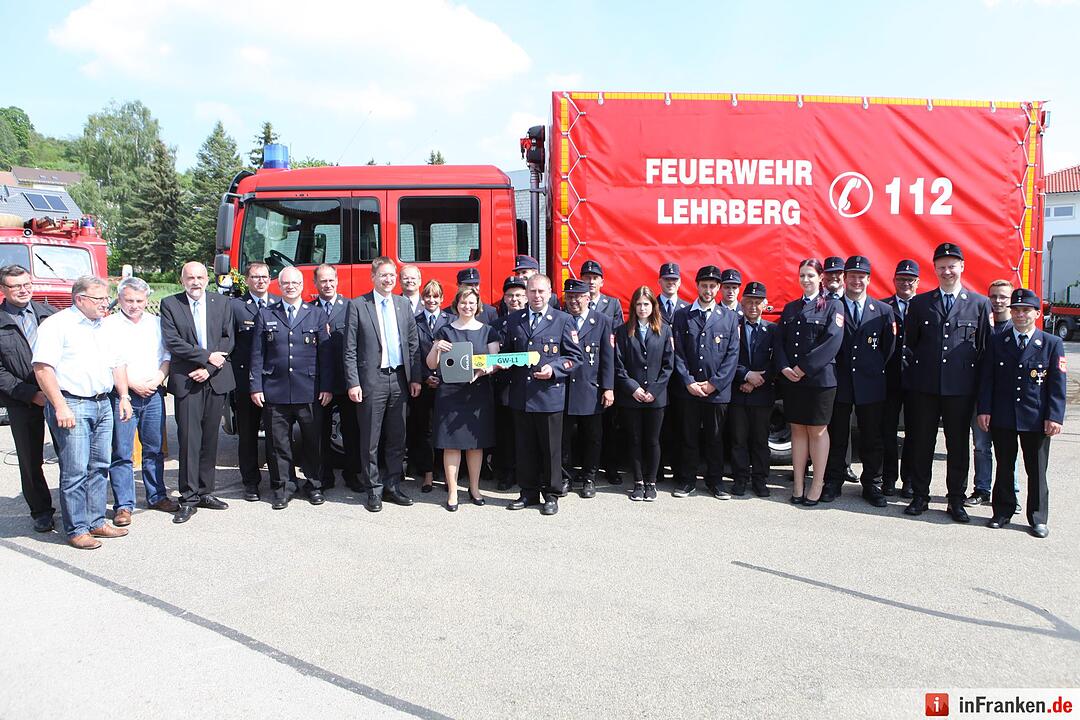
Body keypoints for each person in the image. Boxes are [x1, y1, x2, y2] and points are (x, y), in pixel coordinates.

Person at [32, 276, 132, 550]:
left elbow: (117, 364)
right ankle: (76, 528)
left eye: (105, 298)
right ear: (80, 299)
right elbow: (43, 368)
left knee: (100, 466)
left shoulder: (105, 327)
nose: (105, 304)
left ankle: (96, 520)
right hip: (72, 403)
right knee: (75, 469)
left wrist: (123, 396)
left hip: (103, 403)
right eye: (99, 299)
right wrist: (59, 405)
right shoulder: (57, 325)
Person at [903, 242, 992, 523]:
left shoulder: (979, 304)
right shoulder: (920, 304)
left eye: (952, 266)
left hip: (961, 390)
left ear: (962, 267)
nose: (947, 271)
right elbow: (911, 345)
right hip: (926, 388)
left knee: (957, 447)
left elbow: (984, 350)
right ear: (935, 269)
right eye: (941, 266)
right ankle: (920, 495)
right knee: (922, 443)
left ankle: (956, 499)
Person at [977, 288, 1066, 539]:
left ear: (1037, 313)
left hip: (1036, 418)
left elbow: (1058, 385)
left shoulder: (1051, 344)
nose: (1020, 315)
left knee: (1036, 470)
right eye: (1015, 310)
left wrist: (1055, 416)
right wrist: (984, 409)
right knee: (1004, 465)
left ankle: (1038, 518)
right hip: (1003, 415)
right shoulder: (998, 341)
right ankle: (1002, 512)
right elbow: (987, 379)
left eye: (1026, 310)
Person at [249, 267, 334, 509]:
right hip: (275, 389)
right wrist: (256, 387)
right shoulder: (266, 315)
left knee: (314, 441)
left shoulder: (316, 314)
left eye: (295, 283)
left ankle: (315, 485)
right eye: (286, 283)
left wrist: (327, 386)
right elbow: (257, 354)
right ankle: (283, 487)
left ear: (303, 285)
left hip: (310, 389)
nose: (290, 286)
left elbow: (325, 356)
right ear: (280, 286)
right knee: (278, 443)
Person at [344, 256, 422, 513]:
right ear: (373, 278)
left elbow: (413, 345)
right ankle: (373, 490)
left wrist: (415, 378)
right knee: (370, 439)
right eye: (383, 275)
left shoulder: (402, 304)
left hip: (399, 379)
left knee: (397, 437)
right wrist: (353, 382)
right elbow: (350, 349)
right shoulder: (358, 305)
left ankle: (392, 486)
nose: (388, 280)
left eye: (392, 275)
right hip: (371, 380)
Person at [500, 273, 583, 515]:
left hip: (549, 396)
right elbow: (507, 352)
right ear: (526, 293)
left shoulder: (563, 320)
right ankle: (527, 493)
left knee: (550, 449)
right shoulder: (515, 320)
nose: (536, 296)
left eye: (541, 292)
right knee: (524, 448)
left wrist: (554, 369)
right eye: (532, 291)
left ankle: (551, 494)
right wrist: (500, 362)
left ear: (550, 293)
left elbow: (574, 357)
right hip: (521, 395)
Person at [160, 261, 236, 524]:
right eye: (190, 277)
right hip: (187, 381)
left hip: (214, 379)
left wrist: (208, 368)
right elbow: (173, 341)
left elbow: (228, 339)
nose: (195, 282)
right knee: (190, 440)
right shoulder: (171, 304)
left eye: (200, 277)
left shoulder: (221, 303)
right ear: (182, 280)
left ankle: (205, 491)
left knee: (210, 440)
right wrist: (206, 359)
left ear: (207, 279)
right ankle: (189, 497)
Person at [822, 256, 896, 507]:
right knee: (837, 434)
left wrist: (871, 369)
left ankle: (872, 484)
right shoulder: (833, 307)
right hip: (840, 381)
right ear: (845, 279)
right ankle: (833, 481)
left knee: (872, 436)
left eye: (860, 276)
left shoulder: (883, 311)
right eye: (851, 275)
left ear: (869, 279)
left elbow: (888, 349)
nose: (856, 280)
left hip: (871, 383)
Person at [103, 277, 177, 526]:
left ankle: (157, 496)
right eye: (129, 300)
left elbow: (166, 356)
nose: (134, 305)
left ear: (147, 300)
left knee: (154, 450)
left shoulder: (156, 323)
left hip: (153, 393)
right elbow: (110, 361)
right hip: (123, 395)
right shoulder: (109, 325)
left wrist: (157, 379)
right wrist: (132, 385)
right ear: (119, 299)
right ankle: (124, 505)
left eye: (139, 300)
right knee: (122, 452)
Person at [775, 259, 844, 505]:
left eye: (811, 276)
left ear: (821, 278)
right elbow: (780, 341)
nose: (806, 280)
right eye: (802, 275)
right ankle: (797, 484)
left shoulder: (832, 306)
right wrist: (783, 367)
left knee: (817, 431)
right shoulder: (791, 308)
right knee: (797, 429)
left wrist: (803, 368)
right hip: (792, 379)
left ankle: (817, 484)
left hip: (819, 380)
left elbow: (832, 342)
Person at [427, 286, 499, 510]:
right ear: (456, 304)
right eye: (463, 302)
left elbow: (494, 361)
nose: (467, 306)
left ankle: (475, 488)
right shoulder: (445, 330)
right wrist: (437, 348)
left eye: (471, 303)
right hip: (450, 394)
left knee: (475, 445)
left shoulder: (488, 330)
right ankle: (452, 491)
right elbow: (431, 364)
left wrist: (485, 370)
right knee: (452, 445)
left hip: (477, 392)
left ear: (477, 305)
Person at [671, 265, 741, 499]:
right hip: (688, 390)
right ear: (697, 286)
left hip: (716, 392)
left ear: (719, 288)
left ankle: (715, 482)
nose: (708, 290)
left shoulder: (730, 318)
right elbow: (677, 353)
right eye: (704, 285)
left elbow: (732, 355)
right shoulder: (683, 315)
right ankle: (687, 480)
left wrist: (714, 383)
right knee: (688, 437)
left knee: (715, 438)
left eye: (713, 286)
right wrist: (689, 382)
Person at [0, 265, 57, 532]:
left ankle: (73, 508)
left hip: (58, 396)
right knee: (31, 459)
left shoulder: (49, 315)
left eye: (26, 284)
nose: (23, 290)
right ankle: (41, 511)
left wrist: (55, 392)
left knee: (70, 456)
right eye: (15, 286)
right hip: (21, 400)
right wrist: (31, 394)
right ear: (3, 290)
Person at [614, 285, 674, 501]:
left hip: (656, 398)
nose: (642, 308)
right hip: (632, 397)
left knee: (653, 440)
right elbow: (618, 365)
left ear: (653, 306)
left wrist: (654, 390)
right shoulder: (622, 331)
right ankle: (638, 482)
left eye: (646, 304)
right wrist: (634, 388)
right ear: (633, 306)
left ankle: (651, 482)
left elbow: (669, 365)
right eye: (638, 304)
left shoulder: (664, 330)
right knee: (635, 440)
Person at [560, 278, 615, 499]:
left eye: (578, 297)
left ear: (587, 298)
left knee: (592, 437)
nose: (573, 301)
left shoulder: (601, 321)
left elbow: (608, 358)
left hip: (590, 389)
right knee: (563, 438)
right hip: (563, 389)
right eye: (569, 297)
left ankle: (589, 477)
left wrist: (608, 387)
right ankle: (565, 477)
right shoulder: (560, 319)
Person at [230, 262, 278, 501]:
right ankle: (250, 482)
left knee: (276, 434)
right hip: (246, 380)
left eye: (265, 277)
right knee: (248, 435)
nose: (261, 281)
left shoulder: (279, 304)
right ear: (247, 280)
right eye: (256, 277)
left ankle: (277, 481)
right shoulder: (236, 307)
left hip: (275, 381)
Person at [967, 278, 1016, 506]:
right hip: (980, 397)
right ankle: (982, 489)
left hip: (1007, 400)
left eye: (1003, 297)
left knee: (1007, 450)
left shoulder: (1017, 329)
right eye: (994, 296)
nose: (997, 301)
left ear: (1011, 300)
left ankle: (1011, 493)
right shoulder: (981, 325)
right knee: (981, 446)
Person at [313, 264, 361, 492]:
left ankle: (353, 475)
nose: (328, 284)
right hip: (320, 382)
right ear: (316, 284)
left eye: (331, 280)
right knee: (320, 432)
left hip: (345, 380)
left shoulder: (351, 307)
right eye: (323, 281)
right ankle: (325, 476)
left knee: (351, 431)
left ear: (337, 280)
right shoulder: (310, 309)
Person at [728, 281, 778, 498]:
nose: (753, 306)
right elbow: (727, 358)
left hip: (762, 393)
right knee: (738, 439)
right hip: (738, 392)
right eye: (749, 301)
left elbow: (777, 360)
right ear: (742, 302)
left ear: (764, 304)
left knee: (760, 440)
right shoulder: (732, 326)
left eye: (758, 302)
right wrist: (746, 376)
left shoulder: (773, 329)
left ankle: (760, 479)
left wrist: (758, 380)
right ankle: (740, 478)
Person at [881, 259, 920, 498]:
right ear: (894, 281)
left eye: (910, 280)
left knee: (915, 433)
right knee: (886, 432)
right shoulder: (883, 307)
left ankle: (909, 481)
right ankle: (888, 479)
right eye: (901, 279)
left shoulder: (925, 307)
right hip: (889, 379)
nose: (905, 284)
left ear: (917, 282)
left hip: (917, 381)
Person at [410, 279, 453, 492]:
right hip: (424, 384)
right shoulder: (414, 320)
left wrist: (442, 377)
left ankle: (447, 474)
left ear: (442, 298)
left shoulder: (451, 320)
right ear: (422, 298)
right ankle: (427, 474)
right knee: (424, 430)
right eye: (428, 296)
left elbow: (454, 352)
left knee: (445, 429)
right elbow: (413, 353)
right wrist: (425, 376)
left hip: (446, 385)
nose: (431, 300)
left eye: (436, 296)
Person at [491, 276, 528, 490]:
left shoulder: (531, 323)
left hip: (527, 386)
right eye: (510, 295)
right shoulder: (496, 325)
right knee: (506, 433)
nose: (514, 299)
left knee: (525, 433)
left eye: (518, 295)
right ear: (504, 299)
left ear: (525, 298)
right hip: (504, 386)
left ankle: (525, 472)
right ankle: (506, 472)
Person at [656, 262, 688, 479]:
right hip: (656, 376)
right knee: (657, 428)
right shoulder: (651, 306)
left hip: (680, 377)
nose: (671, 283)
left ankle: (678, 469)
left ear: (680, 282)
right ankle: (656, 471)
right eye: (667, 279)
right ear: (659, 282)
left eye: (674, 279)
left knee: (680, 426)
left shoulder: (687, 309)